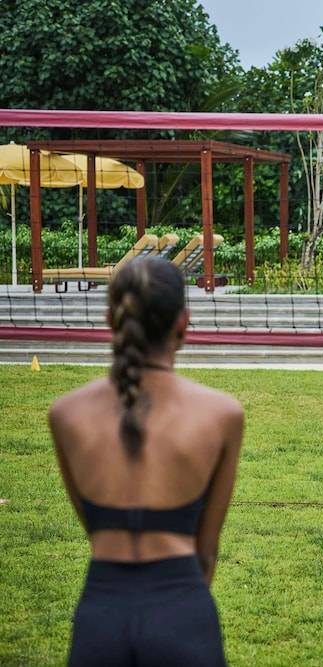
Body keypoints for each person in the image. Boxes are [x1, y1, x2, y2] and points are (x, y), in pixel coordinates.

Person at [49, 258, 244, 667]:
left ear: (111, 320)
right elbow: (206, 551)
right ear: (183, 323)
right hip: (181, 607)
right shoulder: (222, 415)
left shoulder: (66, 414)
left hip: (101, 612)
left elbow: (93, 526)